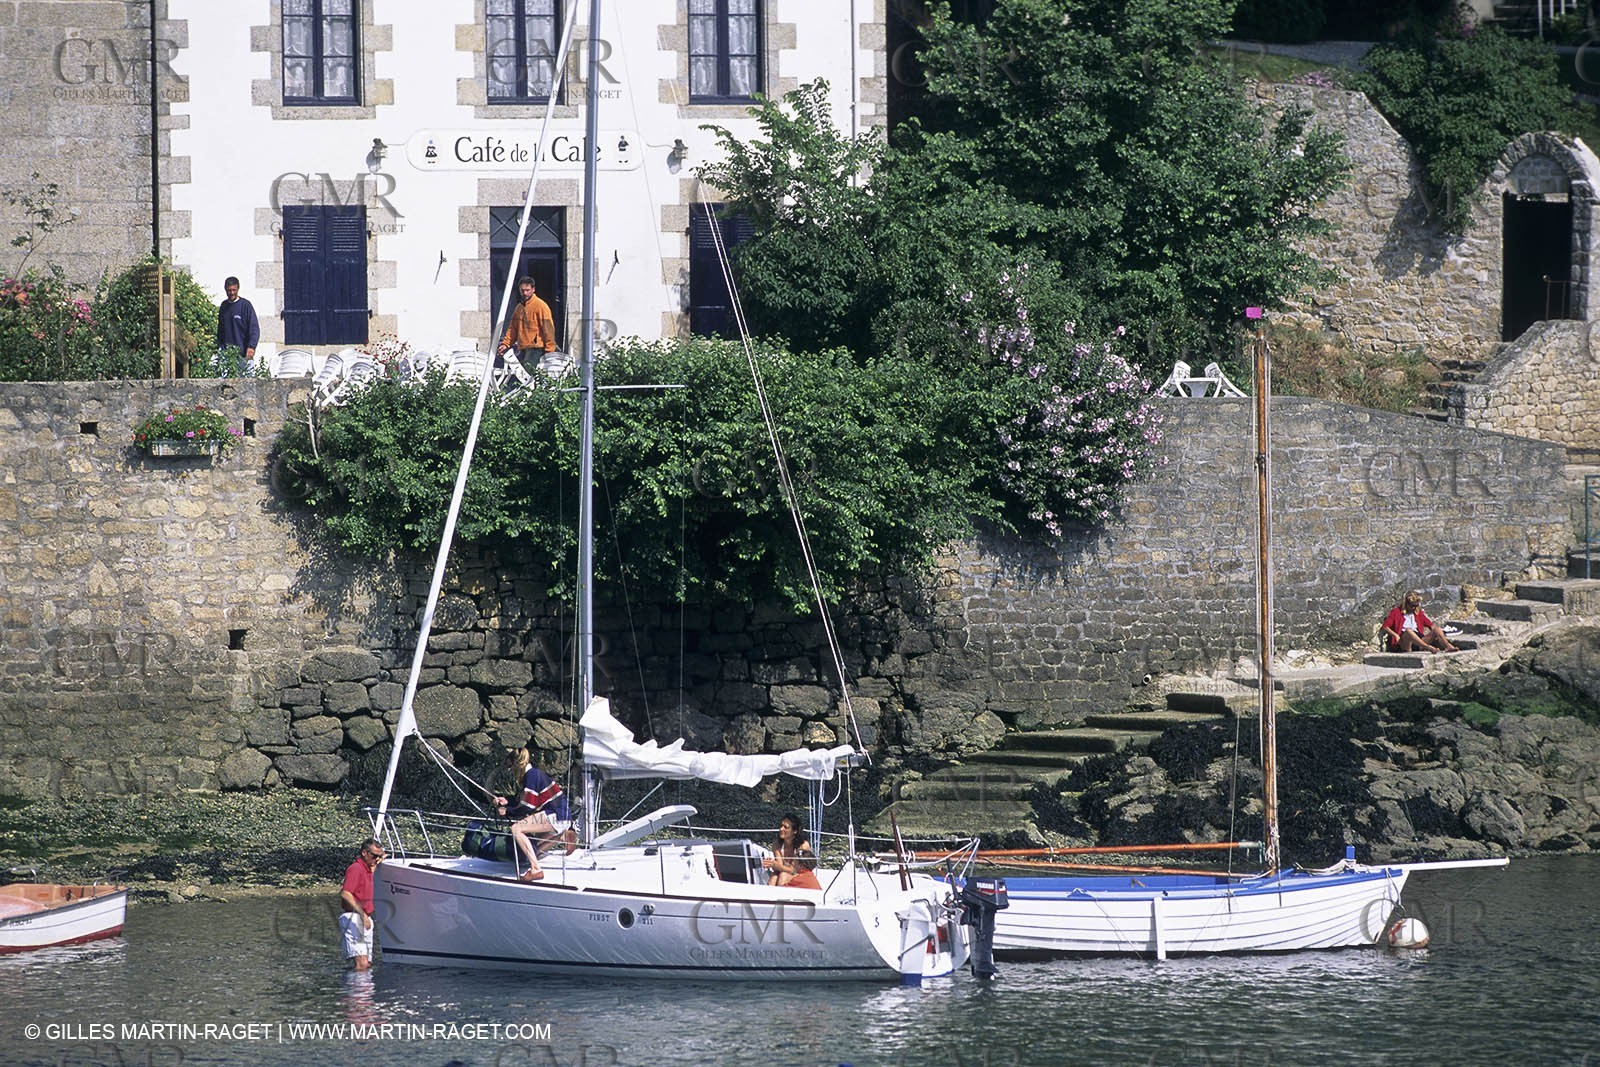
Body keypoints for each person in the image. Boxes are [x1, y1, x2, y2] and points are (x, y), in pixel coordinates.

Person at [492, 747, 574, 882]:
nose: (512, 772)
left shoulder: (531, 776)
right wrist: (506, 800)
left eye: (511, 768)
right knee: (534, 848)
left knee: (516, 829)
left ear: (516, 764)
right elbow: (523, 800)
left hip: (555, 815)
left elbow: (528, 806)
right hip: (563, 816)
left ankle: (535, 869)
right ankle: (561, 835)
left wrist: (508, 811)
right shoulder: (534, 774)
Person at [337, 838, 384, 970]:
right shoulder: (356, 868)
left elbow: (374, 866)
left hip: (365, 919)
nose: (376, 859)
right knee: (362, 964)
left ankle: (366, 990)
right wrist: (362, 914)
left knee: (367, 964)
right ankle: (356, 989)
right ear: (364, 853)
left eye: (378, 856)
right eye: (374, 856)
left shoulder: (368, 869)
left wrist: (380, 859)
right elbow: (345, 893)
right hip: (354, 917)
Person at [496, 276, 558, 364]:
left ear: (533, 289)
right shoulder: (519, 308)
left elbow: (548, 330)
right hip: (522, 349)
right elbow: (512, 329)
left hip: (536, 350)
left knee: (527, 374)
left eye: (527, 290)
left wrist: (550, 351)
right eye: (522, 290)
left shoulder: (541, 306)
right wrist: (505, 344)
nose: (525, 293)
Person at [1381, 589, 1459, 653]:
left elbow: (1430, 625)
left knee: (1437, 629)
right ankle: (1428, 648)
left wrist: (1437, 633)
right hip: (1404, 641)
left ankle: (1449, 647)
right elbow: (1385, 626)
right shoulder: (1396, 612)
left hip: (1419, 640)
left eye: (1416, 606)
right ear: (1406, 604)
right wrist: (1395, 635)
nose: (1414, 608)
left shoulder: (1418, 613)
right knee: (1408, 631)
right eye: (1412, 606)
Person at [761, 814, 821, 890]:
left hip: (799, 874)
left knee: (783, 875)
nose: (781, 829)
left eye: (785, 827)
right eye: (781, 826)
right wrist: (771, 864)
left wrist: (776, 866)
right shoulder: (777, 844)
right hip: (783, 871)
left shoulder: (803, 845)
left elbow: (796, 870)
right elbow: (779, 866)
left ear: (795, 831)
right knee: (773, 878)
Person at [216, 276, 260, 373]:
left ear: (238, 289)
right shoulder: (224, 306)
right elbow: (220, 329)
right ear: (225, 289)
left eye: (234, 290)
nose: (231, 293)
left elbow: (254, 328)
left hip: (244, 354)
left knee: (247, 383)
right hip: (226, 355)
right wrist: (219, 347)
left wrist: (251, 347)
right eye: (229, 290)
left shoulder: (246, 305)